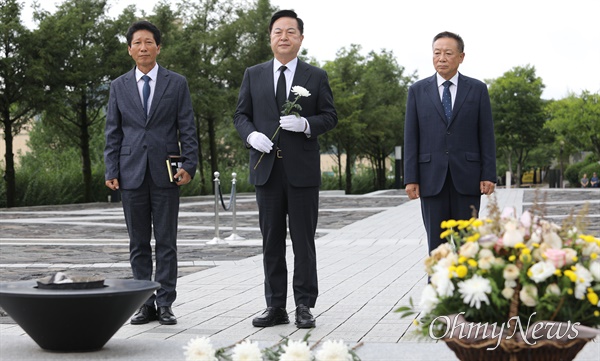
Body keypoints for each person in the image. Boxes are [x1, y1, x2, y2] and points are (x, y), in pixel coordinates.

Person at [233, 10, 337, 329]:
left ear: (301, 39)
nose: (284, 37)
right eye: (278, 31)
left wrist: (306, 123)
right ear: (270, 38)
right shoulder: (253, 74)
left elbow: (330, 116)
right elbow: (241, 115)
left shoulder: (315, 76)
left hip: (302, 173)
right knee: (271, 242)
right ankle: (275, 305)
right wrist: (251, 136)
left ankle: (304, 305)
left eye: (291, 32)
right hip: (266, 171)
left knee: (303, 242)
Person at [104, 21, 198, 325]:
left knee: (167, 241)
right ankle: (145, 303)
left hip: (167, 172)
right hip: (130, 173)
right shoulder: (118, 86)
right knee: (138, 243)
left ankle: (166, 302)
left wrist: (189, 164)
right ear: (129, 49)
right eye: (137, 43)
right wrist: (111, 168)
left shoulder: (177, 83)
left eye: (148, 42)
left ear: (158, 47)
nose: (143, 48)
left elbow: (188, 127)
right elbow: (112, 132)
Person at [404, 31, 496, 255]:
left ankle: (467, 288)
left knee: (467, 245)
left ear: (461, 57)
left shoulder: (477, 89)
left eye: (448, 53)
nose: (441, 58)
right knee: (437, 247)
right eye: (437, 53)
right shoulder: (417, 91)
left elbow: (486, 134)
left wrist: (488, 174)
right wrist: (411, 178)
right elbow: (411, 136)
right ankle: (436, 289)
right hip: (430, 179)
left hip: (468, 178)